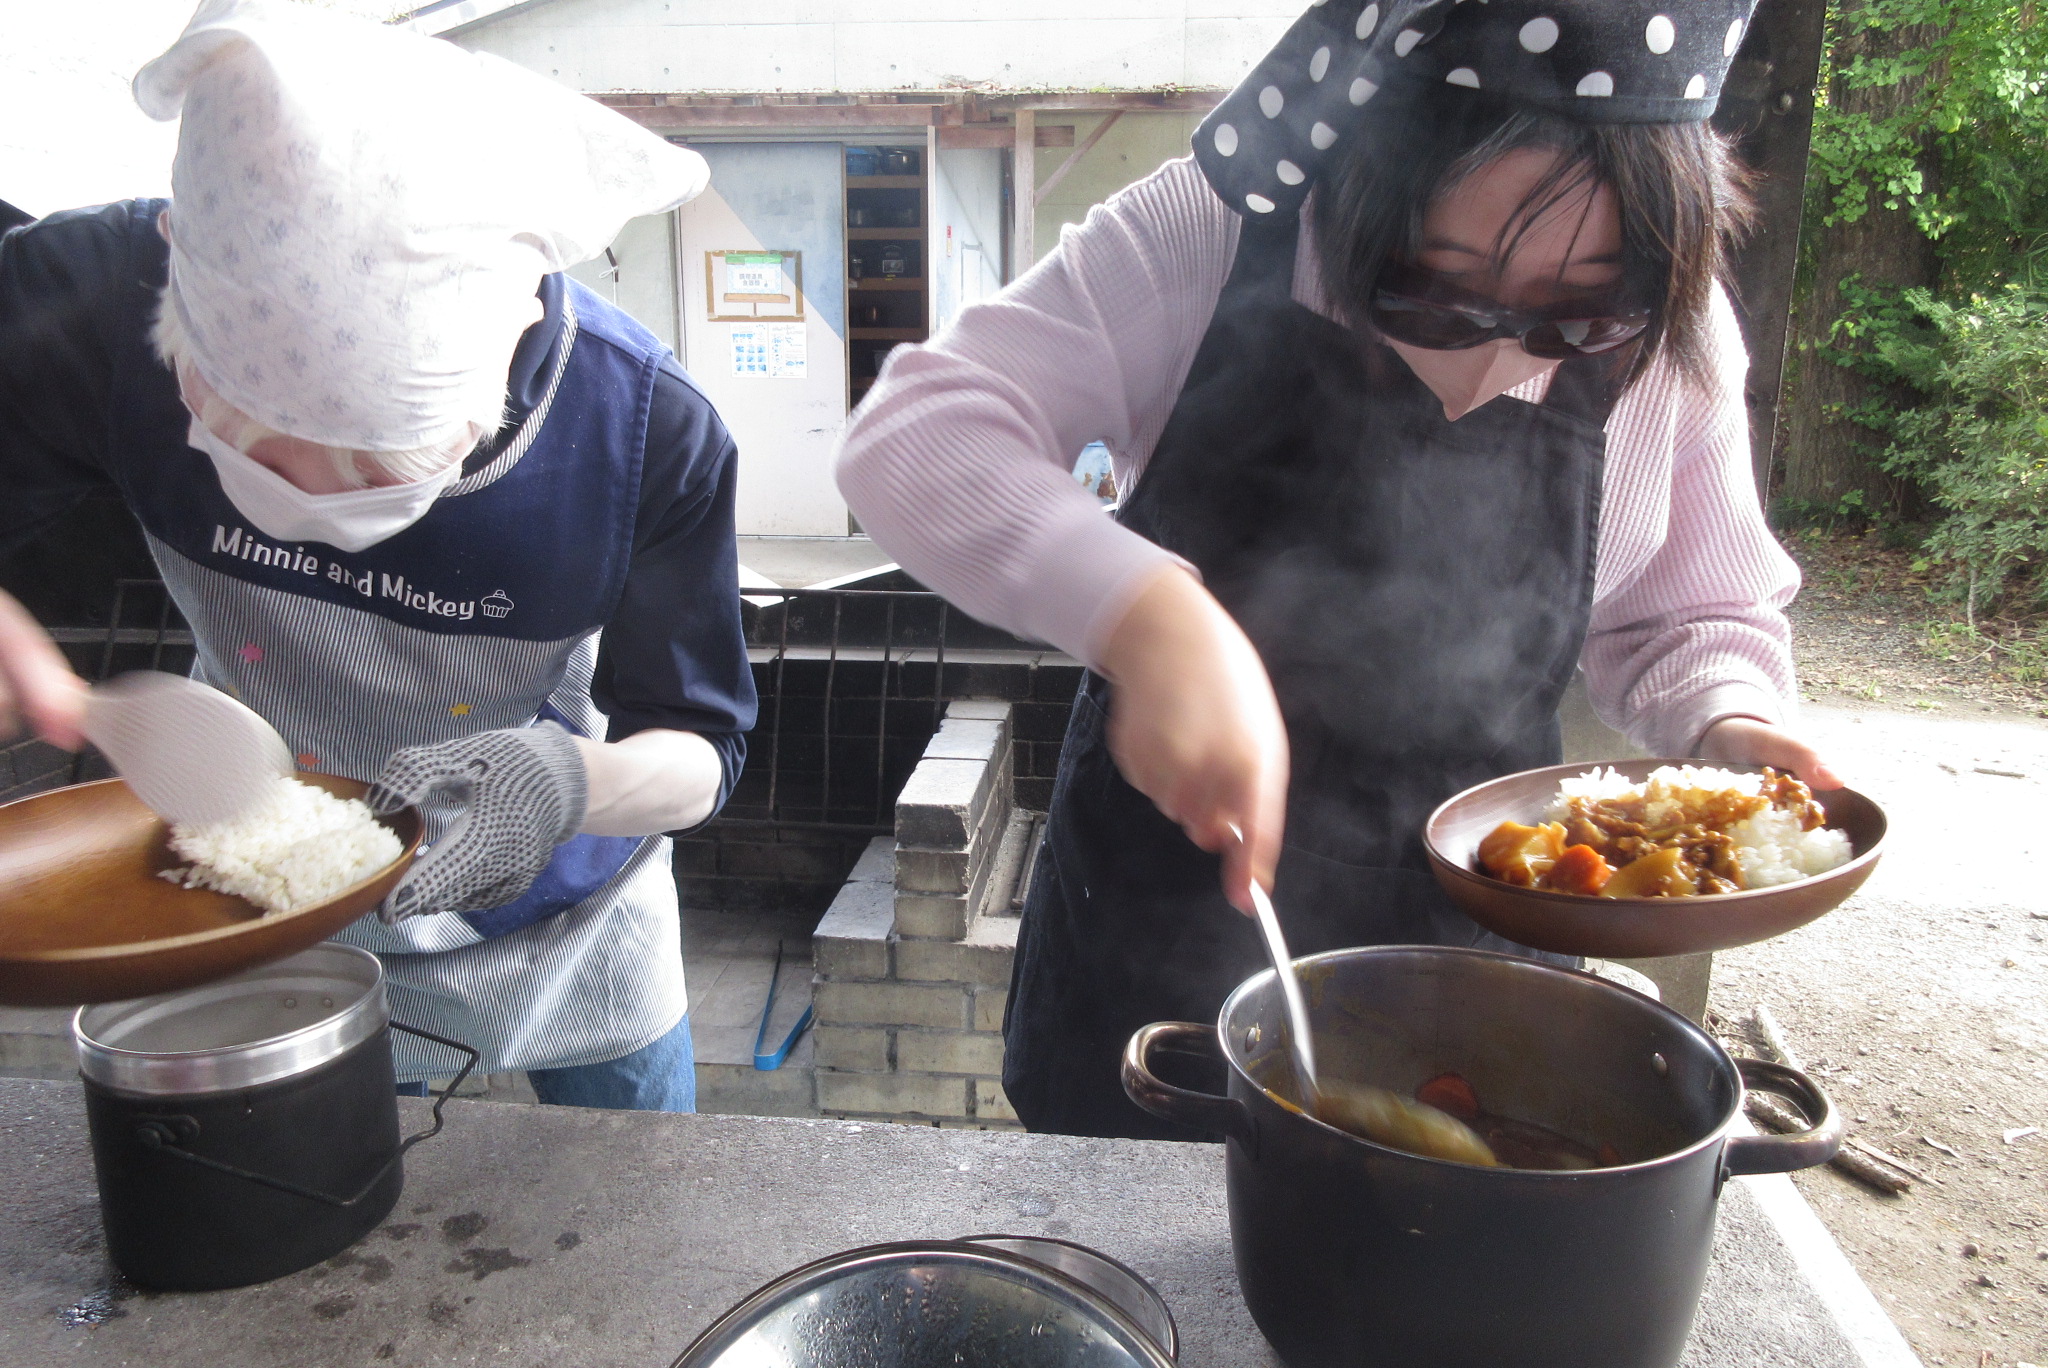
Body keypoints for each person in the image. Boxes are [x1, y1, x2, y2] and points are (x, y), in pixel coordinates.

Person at [837, 0, 1841, 1138]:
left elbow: (1690, 610)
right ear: (1364, 171)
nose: (1501, 354)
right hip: (1152, 940)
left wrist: (1728, 722)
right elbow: (915, 433)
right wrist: (1150, 616)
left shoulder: (1673, 328)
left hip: (1466, 955)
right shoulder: (1221, 232)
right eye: (1435, 290)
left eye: (1577, 315)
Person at [0, 0, 755, 1111]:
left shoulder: (644, 433)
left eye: (378, 472)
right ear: (174, 275)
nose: (308, 504)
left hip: (569, 909)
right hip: (261, 873)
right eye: (249, 442)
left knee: (632, 1207)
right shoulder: (87, 308)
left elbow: (699, 748)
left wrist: (572, 780)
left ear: (515, 322)